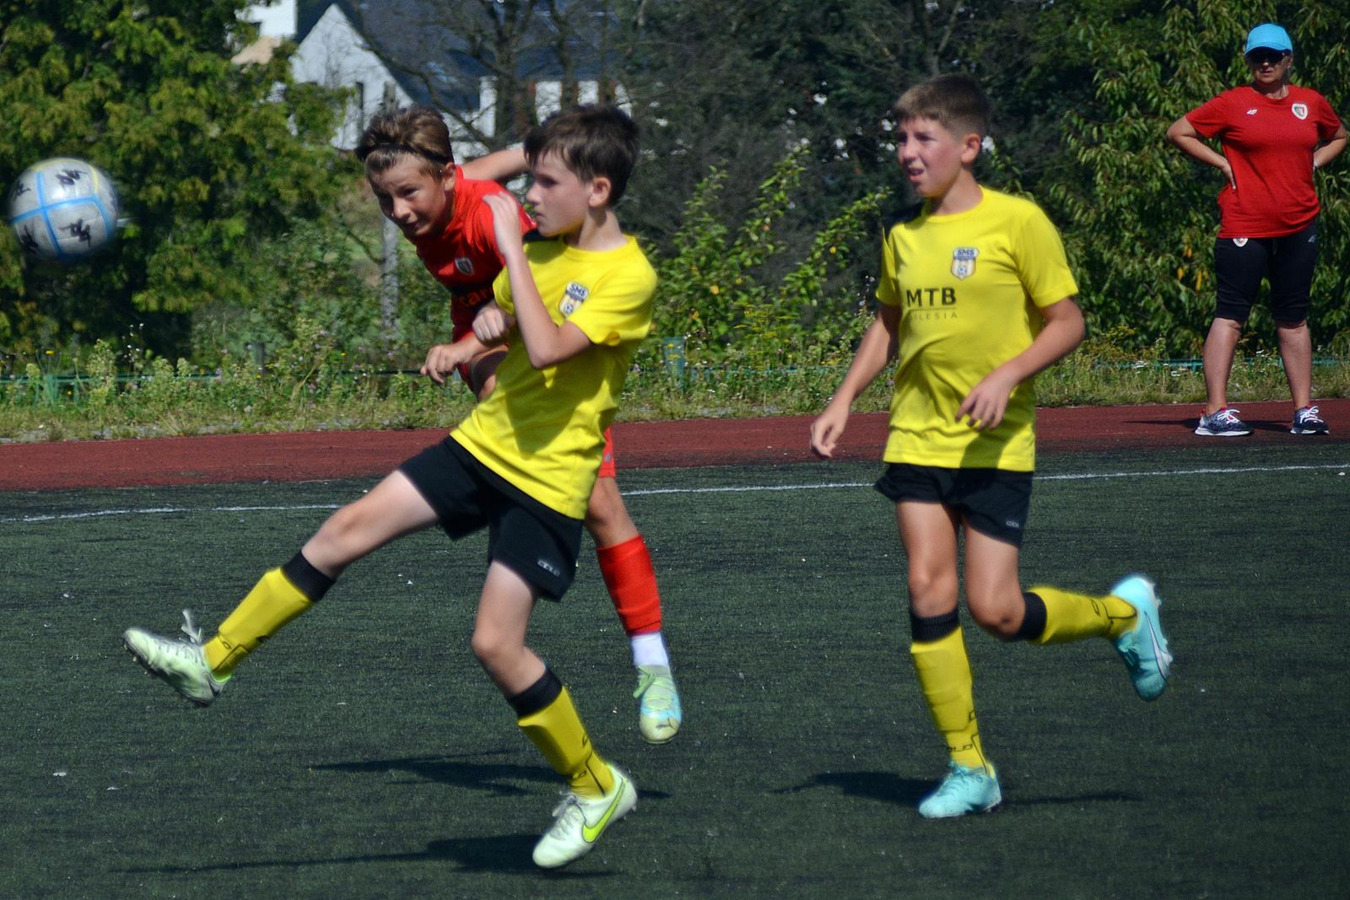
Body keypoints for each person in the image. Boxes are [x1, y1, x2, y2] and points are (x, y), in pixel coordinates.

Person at [124, 105, 656, 868]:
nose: (529, 193)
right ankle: (213, 661)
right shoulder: (532, 247)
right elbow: (503, 320)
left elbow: (543, 349)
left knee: (495, 644)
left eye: (545, 183)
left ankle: (597, 782)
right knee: (344, 530)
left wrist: (509, 250)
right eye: (530, 180)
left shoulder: (621, 273)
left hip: (546, 481)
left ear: (596, 190)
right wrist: (465, 342)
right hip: (482, 447)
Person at [810, 75, 1173, 819]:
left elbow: (1068, 322)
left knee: (997, 613)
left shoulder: (1019, 222)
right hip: (916, 438)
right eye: (901, 138)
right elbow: (887, 324)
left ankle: (1123, 617)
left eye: (924, 138)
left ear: (969, 146)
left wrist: (1008, 375)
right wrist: (843, 399)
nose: (908, 152)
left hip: (996, 447)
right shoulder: (903, 236)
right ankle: (969, 766)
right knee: (926, 589)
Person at [354, 105, 681, 743]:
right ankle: (516, 549)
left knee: (604, 507)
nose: (398, 211)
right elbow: (517, 163)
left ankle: (653, 664)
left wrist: (564, 159)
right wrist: (466, 343)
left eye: (407, 194)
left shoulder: (504, 221)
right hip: (494, 328)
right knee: (520, 449)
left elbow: (544, 297)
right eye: (386, 198)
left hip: (543, 330)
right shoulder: (434, 190)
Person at [1166, 23, 1347, 437]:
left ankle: (1303, 411)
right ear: (1248, 60)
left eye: (1273, 56)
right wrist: (1221, 162)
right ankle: (1214, 412)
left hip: (1299, 224)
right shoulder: (1233, 102)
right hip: (1245, 223)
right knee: (1231, 316)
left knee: (1294, 318)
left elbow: (1339, 135)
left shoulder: (1310, 102)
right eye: (1257, 57)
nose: (1265, 63)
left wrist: (1315, 162)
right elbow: (1178, 131)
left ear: (1288, 60)